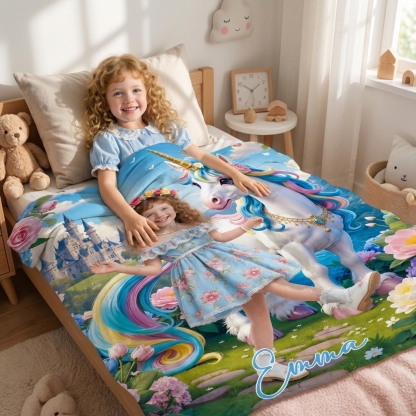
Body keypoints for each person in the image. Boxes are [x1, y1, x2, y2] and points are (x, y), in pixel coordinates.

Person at [91, 190, 381, 382]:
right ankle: (345, 296)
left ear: (174, 207)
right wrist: (117, 267)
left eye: (164, 208)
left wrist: (245, 227)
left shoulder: (193, 225)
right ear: (142, 221)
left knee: (262, 312)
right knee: (279, 288)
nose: (160, 215)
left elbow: (220, 238)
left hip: (234, 264)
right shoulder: (154, 242)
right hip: (211, 280)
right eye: (151, 215)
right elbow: (152, 269)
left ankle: (267, 365)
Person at [82, 53, 270, 248]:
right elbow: (107, 186)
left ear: (147, 93)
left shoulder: (166, 127)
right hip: (156, 199)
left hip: (187, 186)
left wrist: (237, 174)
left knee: (239, 205)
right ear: (104, 101)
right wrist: (129, 216)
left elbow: (201, 155)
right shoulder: (108, 139)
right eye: (118, 93)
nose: (129, 99)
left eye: (136, 90)